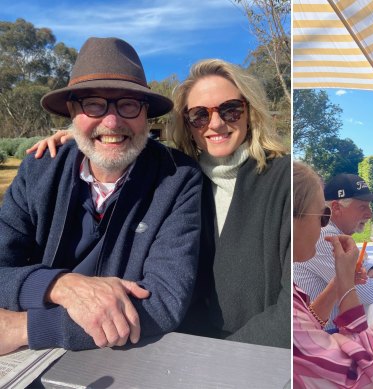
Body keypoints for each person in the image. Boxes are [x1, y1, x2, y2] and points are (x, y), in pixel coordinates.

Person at [29, 58, 290, 348]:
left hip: (246, 357)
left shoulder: (283, 181)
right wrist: (85, 139)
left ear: (250, 112)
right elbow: (119, 138)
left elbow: (291, 309)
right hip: (175, 350)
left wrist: (220, 362)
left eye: (230, 110)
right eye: (200, 115)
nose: (215, 123)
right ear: (187, 124)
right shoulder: (182, 176)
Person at [0, 37, 202, 355]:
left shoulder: (178, 178)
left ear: (145, 113)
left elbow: (164, 300)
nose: (111, 121)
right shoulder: (37, 171)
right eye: (94, 103)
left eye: (128, 104)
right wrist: (61, 287)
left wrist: (24, 327)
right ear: (72, 111)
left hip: (123, 359)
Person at [292, 162, 373, 388]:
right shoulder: (326, 238)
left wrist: (348, 278)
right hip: (329, 335)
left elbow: (308, 320)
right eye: (322, 215)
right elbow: (372, 375)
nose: (323, 226)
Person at [294, 173, 373, 330]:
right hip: (323, 333)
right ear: (336, 208)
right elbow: (365, 294)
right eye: (362, 207)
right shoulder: (326, 236)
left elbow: (359, 264)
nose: (370, 214)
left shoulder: (337, 233)